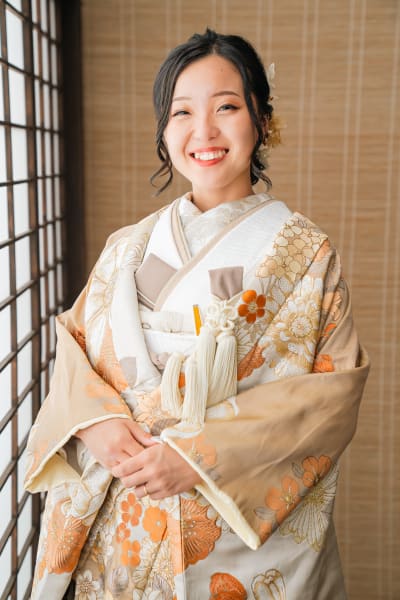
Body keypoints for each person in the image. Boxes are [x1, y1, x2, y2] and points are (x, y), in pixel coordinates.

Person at [25, 29, 369, 599]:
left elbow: (331, 397)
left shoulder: (306, 254)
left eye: (226, 108)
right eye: (181, 112)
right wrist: (94, 422)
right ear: (165, 131)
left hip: (228, 526)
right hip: (122, 509)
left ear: (262, 120)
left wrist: (199, 458)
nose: (203, 132)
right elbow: (76, 348)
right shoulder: (129, 246)